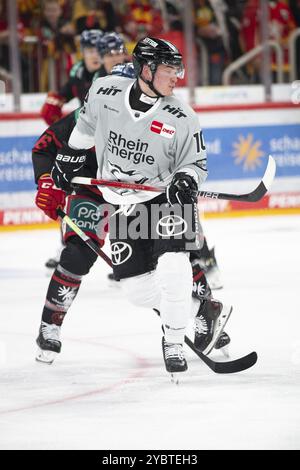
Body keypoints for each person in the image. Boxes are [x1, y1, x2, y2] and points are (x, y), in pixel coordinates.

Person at [49, 36, 232, 375]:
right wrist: (68, 160)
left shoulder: (182, 116)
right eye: (168, 69)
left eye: (179, 68)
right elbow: (85, 128)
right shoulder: (104, 91)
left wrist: (186, 179)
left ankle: (173, 340)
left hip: (166, 199)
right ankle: (201, 311)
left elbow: (197, 164)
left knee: (174, 269)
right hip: (122, 202)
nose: (177, 75)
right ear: (145, 69)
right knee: (136, 291)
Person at [40, 28, 104, 126]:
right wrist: (56, 100)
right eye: (91, 51)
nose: (95, 56)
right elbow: (65, 93)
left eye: (99, 51)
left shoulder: (110, 73)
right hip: (88, 127)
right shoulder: (78, 72)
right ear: (83, 53)